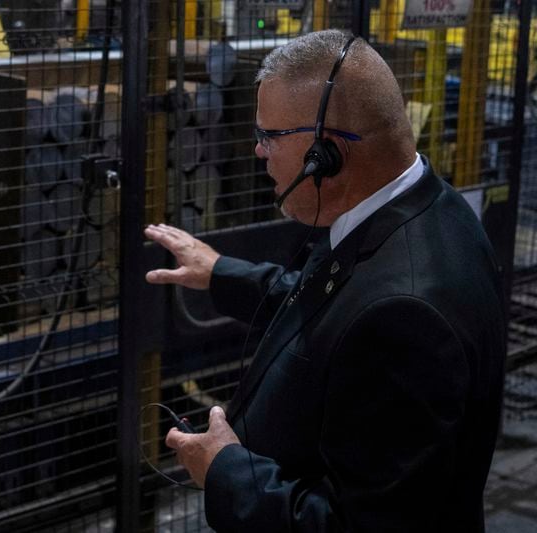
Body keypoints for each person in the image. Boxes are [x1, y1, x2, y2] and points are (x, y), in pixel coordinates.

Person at [145, 30, 506, 532]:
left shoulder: (406, 313)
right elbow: (329, 311)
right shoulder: (416, 206)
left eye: (269, 135)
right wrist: (220, 272)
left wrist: (226, 472)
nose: (257, 149)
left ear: (327, 153)